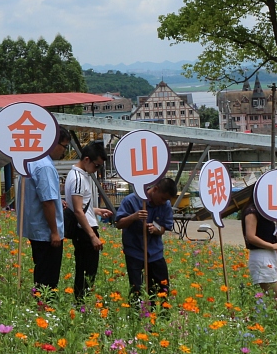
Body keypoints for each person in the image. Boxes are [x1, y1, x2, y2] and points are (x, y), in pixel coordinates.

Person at [18, 125, 72, 296]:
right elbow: (47, 202)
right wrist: (55, 232)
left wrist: (57, 201)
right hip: (46, 232)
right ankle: (44, 306)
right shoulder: (45, 166)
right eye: (64, 146)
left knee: (41, 270)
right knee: (48, 277)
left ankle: (40, 303)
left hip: (36, 229)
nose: (64, 152)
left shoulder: (31, 161)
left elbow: (41, 196)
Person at [114, 177, 177, 303]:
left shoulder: (165, 205)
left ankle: (160, 313)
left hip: (155, 252)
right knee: (136, 289)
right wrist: (133, 217)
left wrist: (156, 229)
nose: (164, 202)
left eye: (167, 200)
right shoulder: (131, 200)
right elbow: (119, 224)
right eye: (163, 198)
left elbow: (164, 228)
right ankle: (136, 312)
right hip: (134, 251)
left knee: (162, 288)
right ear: (155, 189)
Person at [64, 140, 113, 301]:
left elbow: (81, 206)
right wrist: (92, 236)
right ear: (86, 160)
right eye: (97, 166)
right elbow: (78, 210)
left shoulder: (78, 175)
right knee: (86, 272)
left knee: (86, 271)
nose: (97, 170)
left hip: (85, 229)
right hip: (84, 232)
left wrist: (96, 211)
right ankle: (81, 303)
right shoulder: (78, 178)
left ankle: (82, 302)